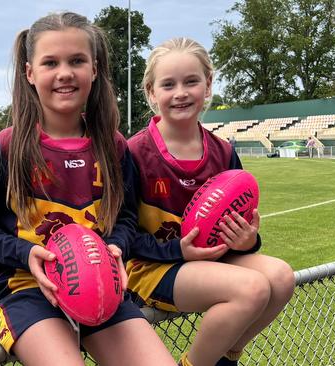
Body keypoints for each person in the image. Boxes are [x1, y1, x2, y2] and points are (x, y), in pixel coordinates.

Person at [0, 12, 176, 366]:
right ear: (30, 73)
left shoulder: (113, 146)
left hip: (100, 285)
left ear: (94, 69)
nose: (65, 72)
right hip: (28, 291)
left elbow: (124, 217)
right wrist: (25, 254)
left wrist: (115, 247)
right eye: (50, 62)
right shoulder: (8, 147)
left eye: (77, 60)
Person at [125, 37, 295, 366]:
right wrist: (177, 251)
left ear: (208, 85)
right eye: (168, 84)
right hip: (154, 266)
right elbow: (122, 236)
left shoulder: (224, 151)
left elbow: (240, 226)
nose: (181, 93)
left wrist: (247, 241)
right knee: (251, 289)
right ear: (151, 92)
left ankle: (224, 357)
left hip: (210, 262)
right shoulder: (133, 153)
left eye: (191, 81)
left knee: (281, 278)